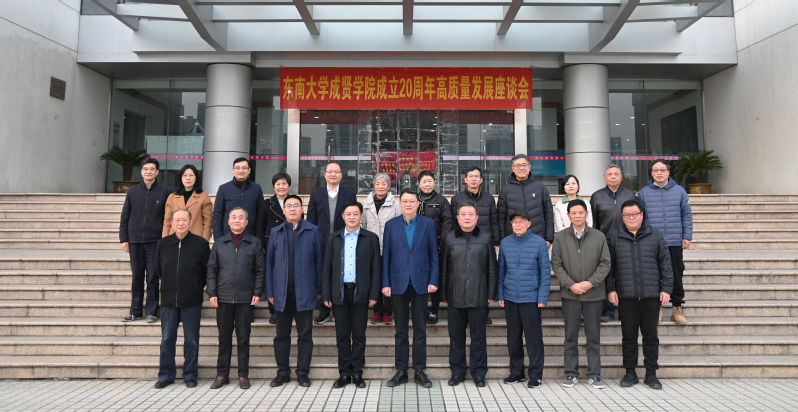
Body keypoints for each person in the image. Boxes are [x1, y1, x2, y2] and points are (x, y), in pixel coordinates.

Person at [606, 200, 673, 390]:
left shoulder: (655, 235)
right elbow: (609, 267)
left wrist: (666, 288)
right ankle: (630, 372)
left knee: (650, 337)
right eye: (627, 215)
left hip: (651, 295)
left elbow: (666, 264)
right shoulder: (614, 236)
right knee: (628, 337)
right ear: (622, 217)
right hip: (626, 296)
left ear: (642, 215)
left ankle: (651, 374)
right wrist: (610, 289)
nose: (631, 218)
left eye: (635, 214)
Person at [381, 188, 440, 388]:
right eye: (404, 201)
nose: (408, 204)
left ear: (418, 204)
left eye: (411, 201)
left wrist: (433, 280)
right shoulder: (391, 225)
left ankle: (420, 371)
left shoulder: (428, 224)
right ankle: (401, 371)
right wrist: (385, 283)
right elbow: (386, 257)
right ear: (400, 204)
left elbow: (434, 255)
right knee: (400, 330)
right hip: (397, 282)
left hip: (421, 282)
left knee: (420, 329)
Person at [551, 199, 610, 390]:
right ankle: (571, 373)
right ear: (568, 215)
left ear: (586, 214)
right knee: (570, 336)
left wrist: (590, 283)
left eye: (580, 212)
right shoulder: (560, 237)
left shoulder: (599, 236)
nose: (577, 216)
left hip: (594, 294)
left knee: (593, 337)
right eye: (573, 213)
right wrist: (571, 285)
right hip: (570, 295)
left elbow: (605, 263)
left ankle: (594, 374)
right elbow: (556, 264)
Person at [265, 195, 324, 388]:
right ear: (283, 211)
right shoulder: (276, 232)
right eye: (288, 206)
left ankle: (303, 373)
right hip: (281, 293)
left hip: (305, 292)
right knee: (281, 335)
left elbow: (319, 263)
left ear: (302, 209)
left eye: (296, 205)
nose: (292, 209)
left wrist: (319, 290)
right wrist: (269, 291)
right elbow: (269, 264)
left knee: (305, 335)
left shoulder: (313, 231)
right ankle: (282, 372)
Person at [322, 201, 382, 389]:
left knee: (359, 335)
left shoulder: (370, 238)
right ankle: (344, 373)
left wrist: (374, 293)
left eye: (356, 213)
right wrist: (326, 294)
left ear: (361, 216)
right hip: (339, 293)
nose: (352, 217)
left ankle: (357, 372)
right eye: (348, 214)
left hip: (360, 293)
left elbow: (376, 268)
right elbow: (326, 268)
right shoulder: (334, 238)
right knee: (342, 335)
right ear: (343, 216)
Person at [439, 201, 497, 387]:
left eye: (470, 214)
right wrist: (443, 295)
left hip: (479, 296)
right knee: (456, 337)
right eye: (463, 214)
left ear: (477, 217)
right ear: (457, 218)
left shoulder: (486, 237)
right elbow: (443, 268)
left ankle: (479, 373)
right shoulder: (449, 238)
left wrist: (491, 293)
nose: (467, 217)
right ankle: (457, 372)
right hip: (455, 296)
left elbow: (492, 268)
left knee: (478, 338)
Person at [207, 207, 265, 390]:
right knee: (224, 338)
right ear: (228, 222)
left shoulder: (254, 243)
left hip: (245, 299)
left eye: (241, 217)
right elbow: (212, 269)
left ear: (246, 222)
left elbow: (260, 270)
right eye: (234, 217)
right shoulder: (220, 243)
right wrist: (212, 292)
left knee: (243, 338)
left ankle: (243, 375)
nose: (237, 220)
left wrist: (257, 292)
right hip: (223, 298)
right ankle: (222, 374)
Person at [153, 209, 210, 389]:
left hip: (191, 300)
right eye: (177, 220)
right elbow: (158, 269)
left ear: (190, 221)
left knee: (191, 340)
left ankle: (190, 374)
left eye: (184, 220)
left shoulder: (201, 244)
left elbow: (206, 271)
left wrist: (195, 287)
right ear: (171, 222)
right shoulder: (162, 244)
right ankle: (166, 375)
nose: (181, 223)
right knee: (167, 339)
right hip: (169, 300)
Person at [497, 212, 551, 389]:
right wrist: (500, 294)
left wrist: (542, 296)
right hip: (510, 297)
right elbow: (501, 271)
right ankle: (516, 372)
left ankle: (535, 375)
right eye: (514, 222)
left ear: (529, 223)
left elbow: (545, 272)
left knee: (533, 338)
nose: (517, 225)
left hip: (531, 297)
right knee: (513, 337)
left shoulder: (539, 243)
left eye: (521, 222)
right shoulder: (505, 243)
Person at [637, 160, 693, 326]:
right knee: (654, 275)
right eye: (656, 170)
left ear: (668, 172)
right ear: (652, 173)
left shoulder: (680, 191)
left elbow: (686, 215)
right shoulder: (643, 193)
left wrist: (686, 236)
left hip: (674, 240)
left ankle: (676, 309)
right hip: (652, 241)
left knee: (676, 274)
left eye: (662, 170)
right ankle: (657, 309)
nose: (659, 173)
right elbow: (640, 218)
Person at [119, 158, 171, 323]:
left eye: (152, 169)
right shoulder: (132, 192)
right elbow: (125, 216)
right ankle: (135, 311)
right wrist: (124, 238)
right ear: (141, 171)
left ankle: (151, 311)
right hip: (135, 240)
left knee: (153, 277)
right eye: (146, 169)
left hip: (155, 241)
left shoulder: (165, 191)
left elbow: (168, 218)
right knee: (137, 277)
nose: (149, 171)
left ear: (157, 172)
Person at [307, 162, 357, 324]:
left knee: (340, 273)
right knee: (323, 274)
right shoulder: (316, 194)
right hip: (321, 241)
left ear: (341, 175)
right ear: (325, 174)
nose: (333, 174)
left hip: (343, 240)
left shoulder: (349, 194)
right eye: (330, 172)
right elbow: (311, 220)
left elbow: (353, 217)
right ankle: (323, 310)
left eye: (336, 172)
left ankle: (338, 309)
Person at [450, 166, 500, 324]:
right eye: (470, 176)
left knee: (484, 276)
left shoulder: (489, 198)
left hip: (484, 243)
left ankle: (483, 312)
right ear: (465, 179)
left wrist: (495, 241)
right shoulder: (457, 199)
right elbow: (454, 223)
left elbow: (494, 221)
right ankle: (463, 311)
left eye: (476, 176)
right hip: (462, 242)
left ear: (481, 180)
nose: (473, 179)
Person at [589, 164, 636, 323]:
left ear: (621, 177)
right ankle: (607, 311)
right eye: (610, 174)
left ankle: (625, 311)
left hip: (626, 241)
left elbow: (636, 218)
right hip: (604, 242)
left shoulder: (629, 194)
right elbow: (593, 222)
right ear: (605, 177)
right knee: (605, 275)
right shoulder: (597, 196)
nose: (613, 177)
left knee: (625, 276)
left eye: (616, 174)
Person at [362, 172, 402, 325]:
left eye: (383, 183)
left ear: (389, 186)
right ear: (373, 186)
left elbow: (399, 225)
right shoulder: (366, 203)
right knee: (375, 279)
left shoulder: (395, 204)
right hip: (372, 247)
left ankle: (387, 312)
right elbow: (364, 225)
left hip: (390, 247)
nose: (380, 186)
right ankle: (377, 312)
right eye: (377, 183)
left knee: (388, 279)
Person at [256, 172, 294, 324]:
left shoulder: (294, 202)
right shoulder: (267, 204)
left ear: (289, 186)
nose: (281, 187)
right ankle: (274, 311)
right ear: (274, 186)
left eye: (284, 183)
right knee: (273, 276)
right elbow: (260, 225)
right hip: (271, 244)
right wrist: (261, 245)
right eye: (278, 184)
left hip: (291, 242)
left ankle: (290, 308)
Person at [416, 170, 453, 324]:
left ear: (434, 182)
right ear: (419, 184)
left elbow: (447, 222)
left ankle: (434, 310)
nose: (427, 184)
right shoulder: (414, 199)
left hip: (436, 246)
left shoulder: (441, 200)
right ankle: (421, 310)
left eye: (430, 181)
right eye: (424, 181)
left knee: (434, 277)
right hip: (417, 247)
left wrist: (441, 243)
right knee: (420, 278)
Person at [497, 154, 554, 249]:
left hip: (538, 239)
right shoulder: (506, 190)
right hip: (512, 240)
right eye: (518, 165)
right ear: (513, 168)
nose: (521, 168)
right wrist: (502, 240)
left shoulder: (540, 188)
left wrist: (549, 239)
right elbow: (501, 218)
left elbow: (548, 214)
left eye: (524, 165)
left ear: (529, 167)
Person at [212, 157, 263, 241]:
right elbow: (217, 215)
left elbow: (261, 215)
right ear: (233, 170)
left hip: (251, 235)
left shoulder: (256, 188)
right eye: (238, 168)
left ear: (249, 170)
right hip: (227, 235)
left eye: (244, 168)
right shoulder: (224, 188)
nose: (241, 171)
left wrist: (259, 239)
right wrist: (218, 239)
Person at [163, 164, 212, 241]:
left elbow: (207, 222)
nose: (188, 178)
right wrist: (164, 240)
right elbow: (167, 221)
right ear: (181, 178)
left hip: (196, 238)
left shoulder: (203, 196)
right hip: (174, 238)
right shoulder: (172, 197)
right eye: (185, 175)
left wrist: (204, 241)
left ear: (196, 178)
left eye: (191, 175)